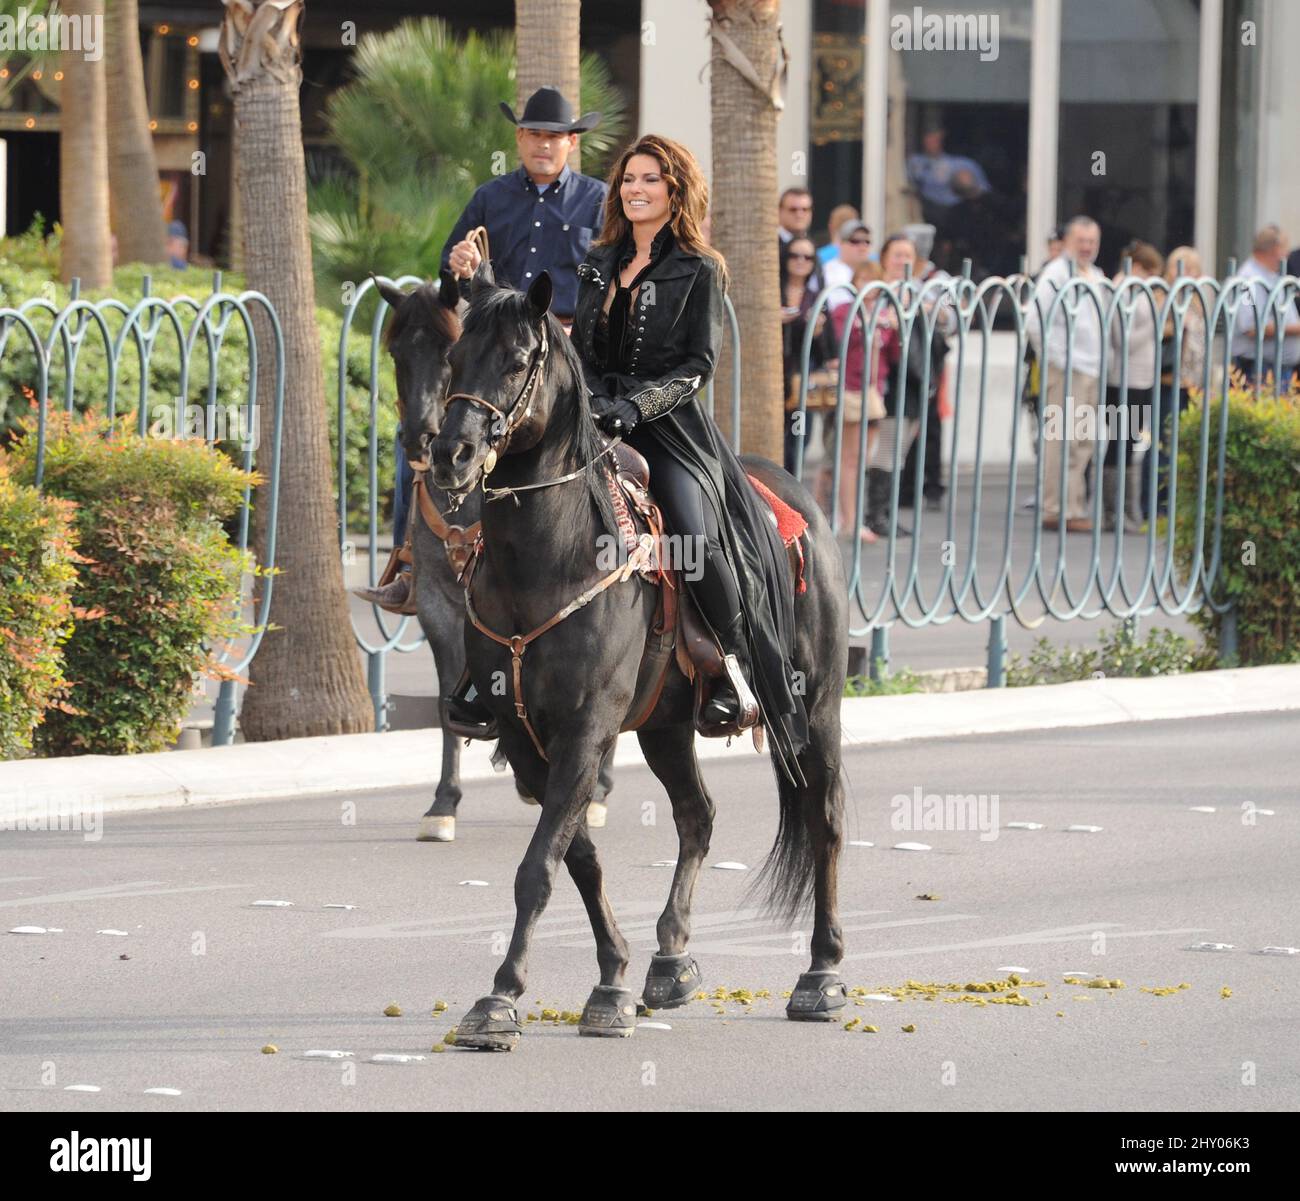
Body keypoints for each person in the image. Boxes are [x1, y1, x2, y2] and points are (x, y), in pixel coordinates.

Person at [451, 134, 811, 770]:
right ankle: (485, 676)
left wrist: (634, 408)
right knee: (504, 508)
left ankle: (732, 671)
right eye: (627, 180)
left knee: (691, 538)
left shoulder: (701, 269)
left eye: (650, 180)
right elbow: (573, 346)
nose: (635, 190)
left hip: (670, 431)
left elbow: (697, 367)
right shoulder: (597, 260)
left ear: (676, 191)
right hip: (590, 423)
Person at [355, 86, 607, 613]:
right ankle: (410, 562)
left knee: (610, 439)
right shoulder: (490, 198)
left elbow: (608, 283)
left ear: (571, 144)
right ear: (519, 138)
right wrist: (460, 265)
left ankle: (605, 557)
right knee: (427, 435)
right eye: (535, 134)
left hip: (566, 350)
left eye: (555, 137)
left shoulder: (598, 201)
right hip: (494, 349)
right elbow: (449, 279)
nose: (544, 145)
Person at [1028, 216, 1106, 532]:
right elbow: (1035, 322)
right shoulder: (1057, 273)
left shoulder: (1096, 275)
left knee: (1082, 442)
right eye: (1081, 241)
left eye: (1092, 242)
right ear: (1068, 242)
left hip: (1091, 368)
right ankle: (1056, 508)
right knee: (1062, 440)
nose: (1086, 247)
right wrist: (1059, 359)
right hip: (1067, 369)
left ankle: (1073, 507)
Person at [1102, 241, 1163, 533]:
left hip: (1142, 377)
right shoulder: (1122, 290)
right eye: (1151, 273)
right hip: (1123, 378)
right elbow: (1122, 340)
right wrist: (1156, 318)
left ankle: (1129, 507)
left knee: (1131, 443)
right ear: (1138, 267)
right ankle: (1114, 510)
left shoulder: (1138, 291)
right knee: (1120, 442)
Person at [779, 235, 836, 474]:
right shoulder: (772, 292)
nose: (801, 261)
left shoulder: (818, 298)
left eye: (807, 257)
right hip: (772, 377)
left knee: (798, 439)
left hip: (803, 380)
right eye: (795, 255)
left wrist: (818, 331)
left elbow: (828, 350)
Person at [1230, 224, 1299, 387]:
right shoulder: (1248, 279)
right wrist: (1296, 329)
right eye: (1285, 248)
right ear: (1275, 249)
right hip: (1258, 369)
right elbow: (1250, 327)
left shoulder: (1270, 275)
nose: (1287, 255)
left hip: (1274, 368)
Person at [822, 218, 873, 295]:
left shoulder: (875, 271)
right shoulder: (828, 273)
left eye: (867, 242)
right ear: (840, 243)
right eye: (855, 241)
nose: (863, 247)